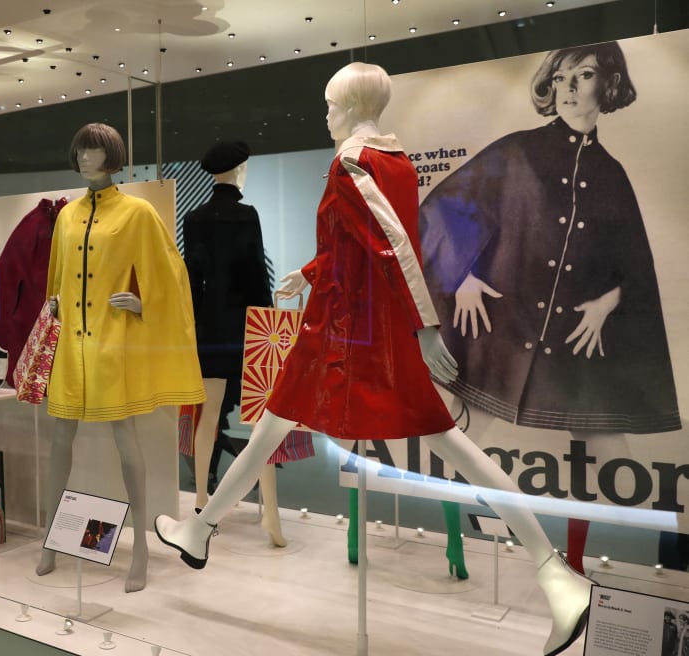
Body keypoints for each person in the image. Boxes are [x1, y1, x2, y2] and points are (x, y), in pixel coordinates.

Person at [154, 62, 593, 656]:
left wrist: (426, 328)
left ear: (353, 106)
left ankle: (555, 575)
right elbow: (351, 249)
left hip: (349, 337)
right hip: (349, 328)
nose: (325, 115)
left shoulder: (353, 163)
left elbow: (396, 250)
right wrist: (306, 272)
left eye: (330, 104)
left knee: (422, 440)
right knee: (282, 429)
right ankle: (199, 532)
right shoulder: (397, 163)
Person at [418, 41, 681, 574]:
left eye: (583, 76)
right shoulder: (514, 151)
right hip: (504, 334)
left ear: (606, 86)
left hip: (574, 345)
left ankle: (588, 564)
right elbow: (439, 215)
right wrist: (462, 276)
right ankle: (454, 541)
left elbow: (633, 268)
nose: (569, 88)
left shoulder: (611, 174)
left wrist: (608, 301)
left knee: (612, 458)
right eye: (561, 78)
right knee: (461, 443)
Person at [36, 123, 205, 593]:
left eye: (95, 150)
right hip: (71, 344)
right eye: (81, 150)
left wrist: (142, 300)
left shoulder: (137, 213)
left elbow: (170, 273)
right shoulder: (66, 216)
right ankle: (50, 539)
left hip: (113, 342)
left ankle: (142, 550)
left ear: (112, 156)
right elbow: (56, 280)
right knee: (59, 440)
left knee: (126, 439)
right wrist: (51, 307)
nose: (87, 157)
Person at [182, 140, 288, 546]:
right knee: (262, 418)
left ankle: (201, 498)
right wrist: (266, 322)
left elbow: (193, 279)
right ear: (239, 170)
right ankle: (271, 514)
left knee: (207, 416)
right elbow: (256, 276)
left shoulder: (194, 218)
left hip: (210, 329)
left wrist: (193, 324)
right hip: (247, 328)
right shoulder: (247, 216)